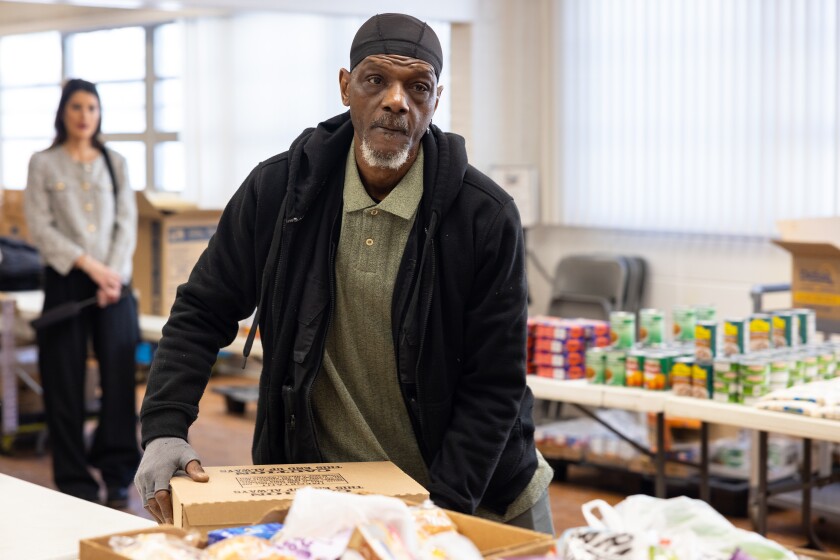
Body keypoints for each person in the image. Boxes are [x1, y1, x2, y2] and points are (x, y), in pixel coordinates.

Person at [135, 13, 554, 533]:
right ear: (345, 87)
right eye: (376, 80)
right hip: (328, 500)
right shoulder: (279, 192)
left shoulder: (483, 216)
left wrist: (440, 519)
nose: (397, 100)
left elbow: (495, 387)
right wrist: (164, 427)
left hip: (475, 496)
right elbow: (204, 309)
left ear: (435, 101)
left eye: (417, 86)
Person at [25, 78, 141, 508]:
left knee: (117, 380)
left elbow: (126, 223)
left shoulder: (116, 162)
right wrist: (92, 267)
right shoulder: (44, 163)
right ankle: (74, 480)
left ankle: (117, 474)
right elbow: (40, 227)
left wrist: (113, 276)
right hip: (68, 281)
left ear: (99, 114)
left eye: (92, 108)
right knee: (64, 383)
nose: (84, 115)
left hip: (114, 283)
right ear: (63, 112)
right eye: (76, 107)